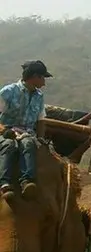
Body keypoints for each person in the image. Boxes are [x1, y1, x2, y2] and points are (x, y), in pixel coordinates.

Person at [0, 60, 52, 201]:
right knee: (8, 145)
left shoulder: (39, 97)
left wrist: (40, 138)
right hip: (5, 132)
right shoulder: (8, 92)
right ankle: (4, 183)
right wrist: (4, 130)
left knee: (28, 143)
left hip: (26, 133)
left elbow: (41, 120)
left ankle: (27, 181)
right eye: (42, 77)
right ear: (34, 76)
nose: (44, 82)